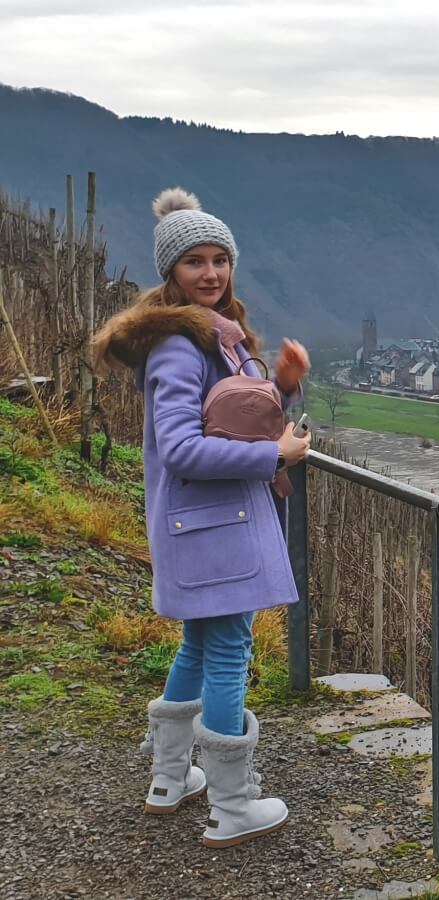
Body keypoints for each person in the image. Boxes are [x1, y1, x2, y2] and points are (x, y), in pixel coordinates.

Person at [93, 187, 311, 848]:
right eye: (195, 261)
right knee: (227, 652)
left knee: (198, 644)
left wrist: (281, 387)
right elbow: (184, 447)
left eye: (220, 258)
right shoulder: (178, 347)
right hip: (214, 525)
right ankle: (233, 804)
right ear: (171, 272)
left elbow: (226, 414)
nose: (210, 272)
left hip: (207, 523)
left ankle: (169, 778)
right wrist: (273, 451)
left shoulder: (214, 335)